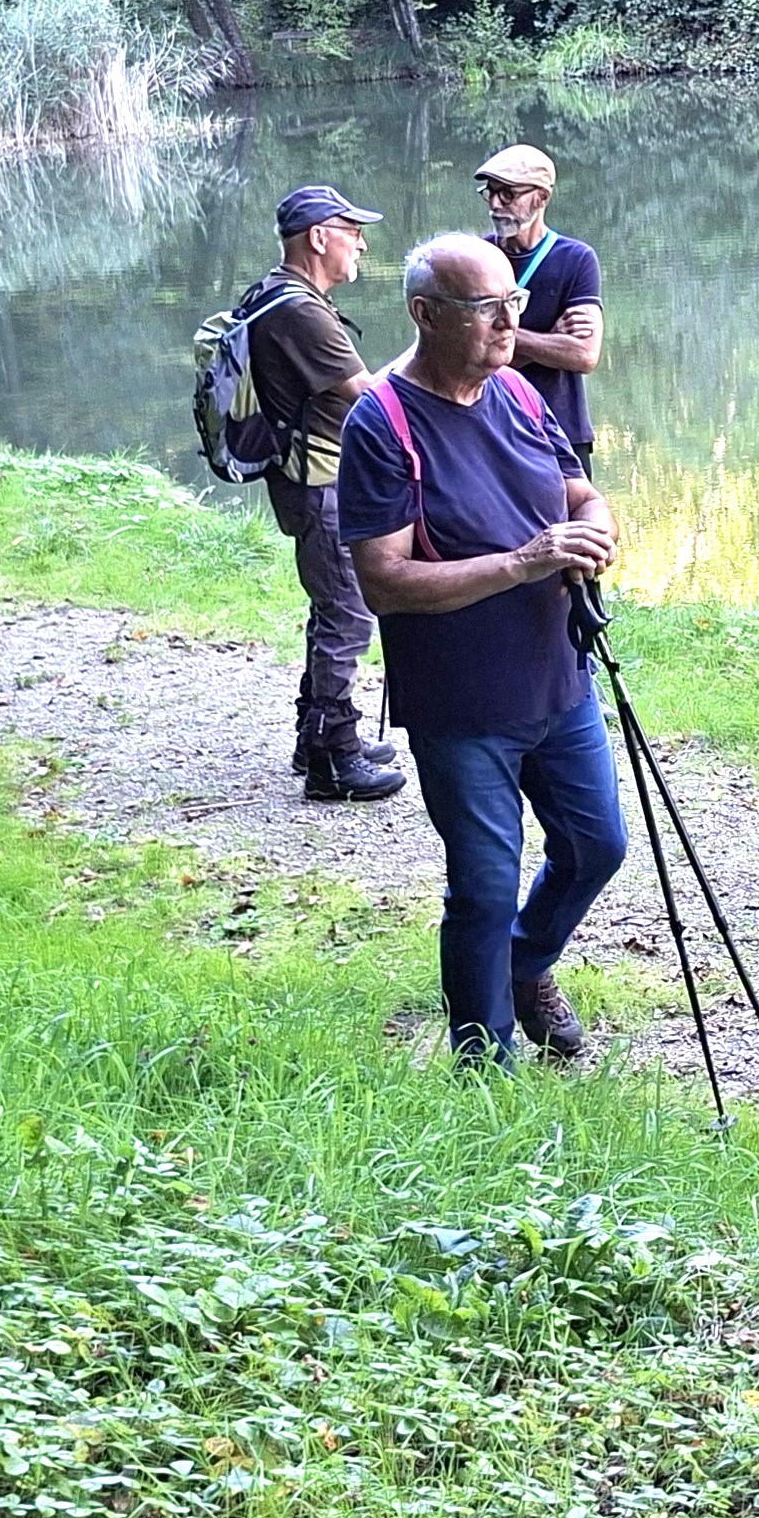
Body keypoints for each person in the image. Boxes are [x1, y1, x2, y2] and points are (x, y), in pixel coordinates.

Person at [338, 234, 628, 1062]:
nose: (510, 322)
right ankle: (483, 1060)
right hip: (463, 701)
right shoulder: (383, 422)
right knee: (486, 884)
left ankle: (523, 965)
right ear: (424, 315)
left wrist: (597, 531)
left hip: (558, 676)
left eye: (515, 302)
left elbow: (581, 491)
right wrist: (522, 562)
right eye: (486, 308)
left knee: (596, 843)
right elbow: (383, 581)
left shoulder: (520, 394)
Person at [249, 184, 406, 802]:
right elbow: (370, 397)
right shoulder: (301, 312)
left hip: (301, 479)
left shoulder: (272, 293)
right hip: (320, 482)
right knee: (347, 611)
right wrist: (432, 346)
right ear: (318, 238)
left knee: (330, 606)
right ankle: (333, 763)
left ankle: (315, 735)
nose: (361, 242)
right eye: (351, 230)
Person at [474, 143, 603, 463]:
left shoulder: (577, 259)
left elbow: (584, 355)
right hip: (490, 429)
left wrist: (502, 339)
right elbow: (467, 356)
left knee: (574, 514)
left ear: (542, 197)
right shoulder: (475, 257)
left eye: (507, 194)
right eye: (489, 192)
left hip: (561, 432)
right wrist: (550, 336)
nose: (494, 204)